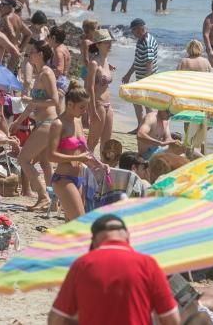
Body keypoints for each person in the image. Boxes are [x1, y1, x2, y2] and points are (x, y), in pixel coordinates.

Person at [48, 215, 179, 325]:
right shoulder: (147, 264)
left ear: (94, 242)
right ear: (127, 237)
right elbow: (171, 319)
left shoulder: (82, 264)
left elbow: (56, 318)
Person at [12, 40, 59, 211]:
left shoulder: (46, 73)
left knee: (23, 159)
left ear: (40, 54)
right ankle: (53, 202)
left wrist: (31, 100)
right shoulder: (39, 74)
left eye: (31, 52)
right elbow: (33, 105)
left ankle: (42, 195)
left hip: (48, 123)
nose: (28, 55)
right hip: (43, 122)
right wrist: (17, 122)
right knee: (46, 164)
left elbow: (55, 100)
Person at [48, 82, 104, 221]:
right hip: (63, 179)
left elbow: (85, 151)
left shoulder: (77, 121)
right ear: (70, 104)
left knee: (70, 226)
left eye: (86, 107)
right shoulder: (58, 124)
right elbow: (51, 155)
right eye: (82, 107)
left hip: (78, 178)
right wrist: (79, 158)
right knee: (80, 222)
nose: (84, 111)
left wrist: (100, 164)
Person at [122, 18, 158, 130]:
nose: (133, 33)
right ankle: (141, 126)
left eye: (134, 31)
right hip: (142, 78)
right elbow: (138, 60)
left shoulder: (146, 42)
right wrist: (128, 74)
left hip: (147, 79)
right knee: (136, 100)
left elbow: (149, 62)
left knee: (148, 105)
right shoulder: (141, 39)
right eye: (133, 31)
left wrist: (146, 81)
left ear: (140, 29)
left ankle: (150, 129)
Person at [84, 28, 115, 158]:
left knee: (107, 143)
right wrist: (91, 108)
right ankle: (83, 165)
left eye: (109, 41)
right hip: (98, 104)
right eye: (105, 42)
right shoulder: (93, 63)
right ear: (98, 44)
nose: (109, 44)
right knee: (93, 140)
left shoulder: (106, 60)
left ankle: (103, 168)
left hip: (108, 104)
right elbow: (88, 87)